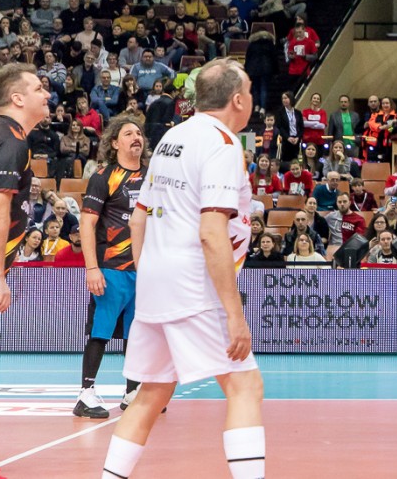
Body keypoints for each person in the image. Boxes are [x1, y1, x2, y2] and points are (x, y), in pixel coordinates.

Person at [98, 59, 265, 479]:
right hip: (195, 284)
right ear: (238, 100)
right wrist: (234, 313)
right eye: (249, 91)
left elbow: (138, 218)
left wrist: (151, 274)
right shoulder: (222, 144)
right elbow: (211, 232)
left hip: (157, 281)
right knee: (244, 385)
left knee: (151, 392)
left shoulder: (172, 137)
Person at [75, 116, 147, 418]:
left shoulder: (152, 177)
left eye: (139, 133)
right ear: (115, 142)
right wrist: (92, 268)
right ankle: (85, 394)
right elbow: (87, 224)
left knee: (137, 333)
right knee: (101, 332)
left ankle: (132, 392)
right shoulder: (104, 176)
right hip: (111, 268)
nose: (136, 137)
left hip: (144, 271)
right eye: (128, 133)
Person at [0, 64, 51, 330]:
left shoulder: (3, 133)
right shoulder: (11, 140)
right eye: (38, 89)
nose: (47, 94)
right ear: (17, 99)